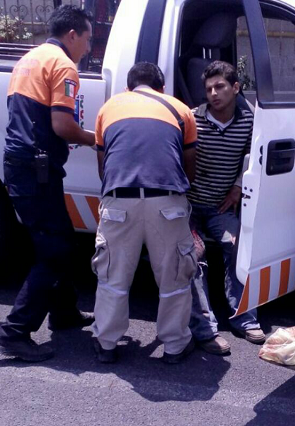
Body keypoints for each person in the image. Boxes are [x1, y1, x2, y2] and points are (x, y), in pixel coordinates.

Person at [0, 5, 96, 362]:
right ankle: (15, 332)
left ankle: (64, 311)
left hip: (24, 165)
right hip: (37, 169)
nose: (88, 48)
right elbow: (62, 127)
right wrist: (95, 138)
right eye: (87, 39)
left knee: (61, 239)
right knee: (54, 249)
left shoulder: (30, 58)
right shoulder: (64, 65)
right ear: (72, 35)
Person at [91, 62, 199, 364]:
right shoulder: (181, 110)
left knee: (113, 275)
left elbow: (104, 166)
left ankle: (107, 344)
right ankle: (175, 347)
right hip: (167, 201)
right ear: (161, 87)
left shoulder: (108, 109)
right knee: (175, 276)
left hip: (119, 199)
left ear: (129, 87)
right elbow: (189, 166)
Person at [187, 61, 265, 355]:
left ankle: (243, 318)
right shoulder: (193, 118)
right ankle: (205, 328)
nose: (213, 93)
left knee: (237, 247)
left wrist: (236, 186)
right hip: (190, 206)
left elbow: (253, 156)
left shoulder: (250, 120)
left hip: (221, 207)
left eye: (220, 86)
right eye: (208, 89)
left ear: (235, 88)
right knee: (194, 256)